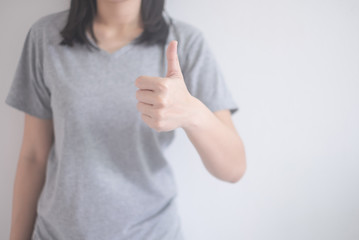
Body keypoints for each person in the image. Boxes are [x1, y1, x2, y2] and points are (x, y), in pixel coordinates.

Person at [4, 0, 247, 239]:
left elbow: (234, 168)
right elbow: (34, 156)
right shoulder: (45, 36)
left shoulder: (185, 42)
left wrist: (194, 114)